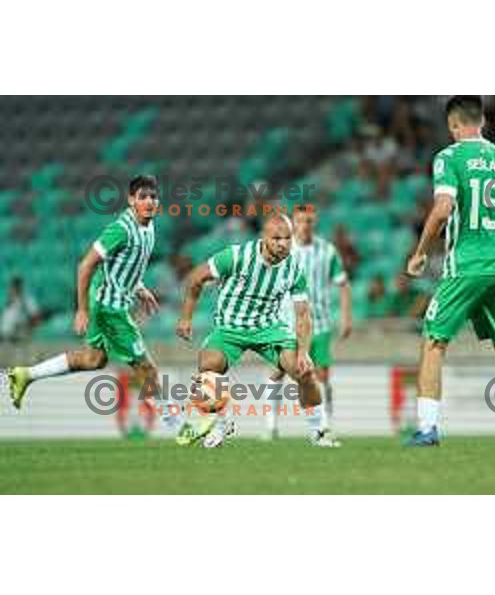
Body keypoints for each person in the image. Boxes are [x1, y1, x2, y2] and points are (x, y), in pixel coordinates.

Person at [406, 96, 495, 446]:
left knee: (433, 342)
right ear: (481, 121)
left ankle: (427, 429)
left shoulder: (449, 157)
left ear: (453, 125)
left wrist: (421, 252)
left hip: (464, 269)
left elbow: (442, 209)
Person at [175, 212, 338, 448]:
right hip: (230, 328)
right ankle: (222, 424)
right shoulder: (235, 256)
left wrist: (303, 352)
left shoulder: (293, 268)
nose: (283, 244)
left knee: (304, 372)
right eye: (276, 239)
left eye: (287, 239)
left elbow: (303, 314)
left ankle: (319, 431)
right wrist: (186, 318)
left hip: (269, 328)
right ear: (264, 238)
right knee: (208, 367)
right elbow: (196, 278)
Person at [7, 175, 160, 413]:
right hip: (110, 308)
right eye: (143, 197)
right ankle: (181, 426)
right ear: (131, 200)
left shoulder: (148, 226)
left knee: (94, 359)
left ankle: (26, 374)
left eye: (153, 197)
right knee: (148, 369)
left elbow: (124, 262)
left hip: (108, 300)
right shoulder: (120, 229)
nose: (149, 201)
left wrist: (139, 287)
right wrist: (82, 310)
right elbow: (85, 265)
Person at [264, 206, 352, 439]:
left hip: (319, 323)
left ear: (315, 222)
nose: (305, 226)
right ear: (293, 223)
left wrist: (346, 318)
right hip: (285, 322)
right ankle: (271, 426)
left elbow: (343, 284)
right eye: (301, 221)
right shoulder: (283, 249)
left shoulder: (327, 251)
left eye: (309, 221)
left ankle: (323, 425)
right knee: (277, 372)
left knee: (321, 375)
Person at [0, 277, 42, 342]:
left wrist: (28, 326)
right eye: (12, 287)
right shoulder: (9, 301)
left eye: (16, 286)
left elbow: (36, 317)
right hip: (6, 333)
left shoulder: (27, 299)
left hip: (21, 331)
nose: (13, 289)